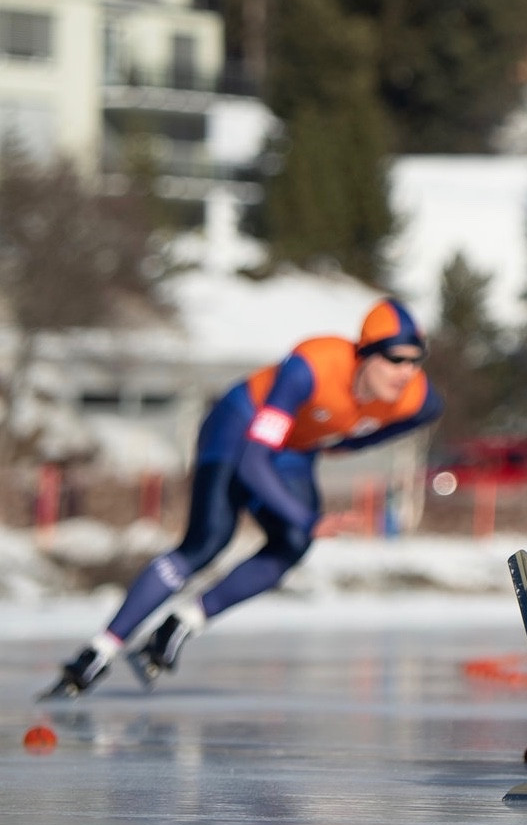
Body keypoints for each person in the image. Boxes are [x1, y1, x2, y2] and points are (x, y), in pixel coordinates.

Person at [43, 297, 444, 698]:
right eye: (395, 359)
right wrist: (307, 518)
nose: (406, 373)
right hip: (238, 430)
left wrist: (351, 446)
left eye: (415, 361)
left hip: (292, 449)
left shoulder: (416, 398)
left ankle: (182, 622)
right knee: (208, 541)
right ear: (365, 354)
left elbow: (425, 414)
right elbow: (253, 461)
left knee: (292, 546)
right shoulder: (310, 367)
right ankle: (98, 652)